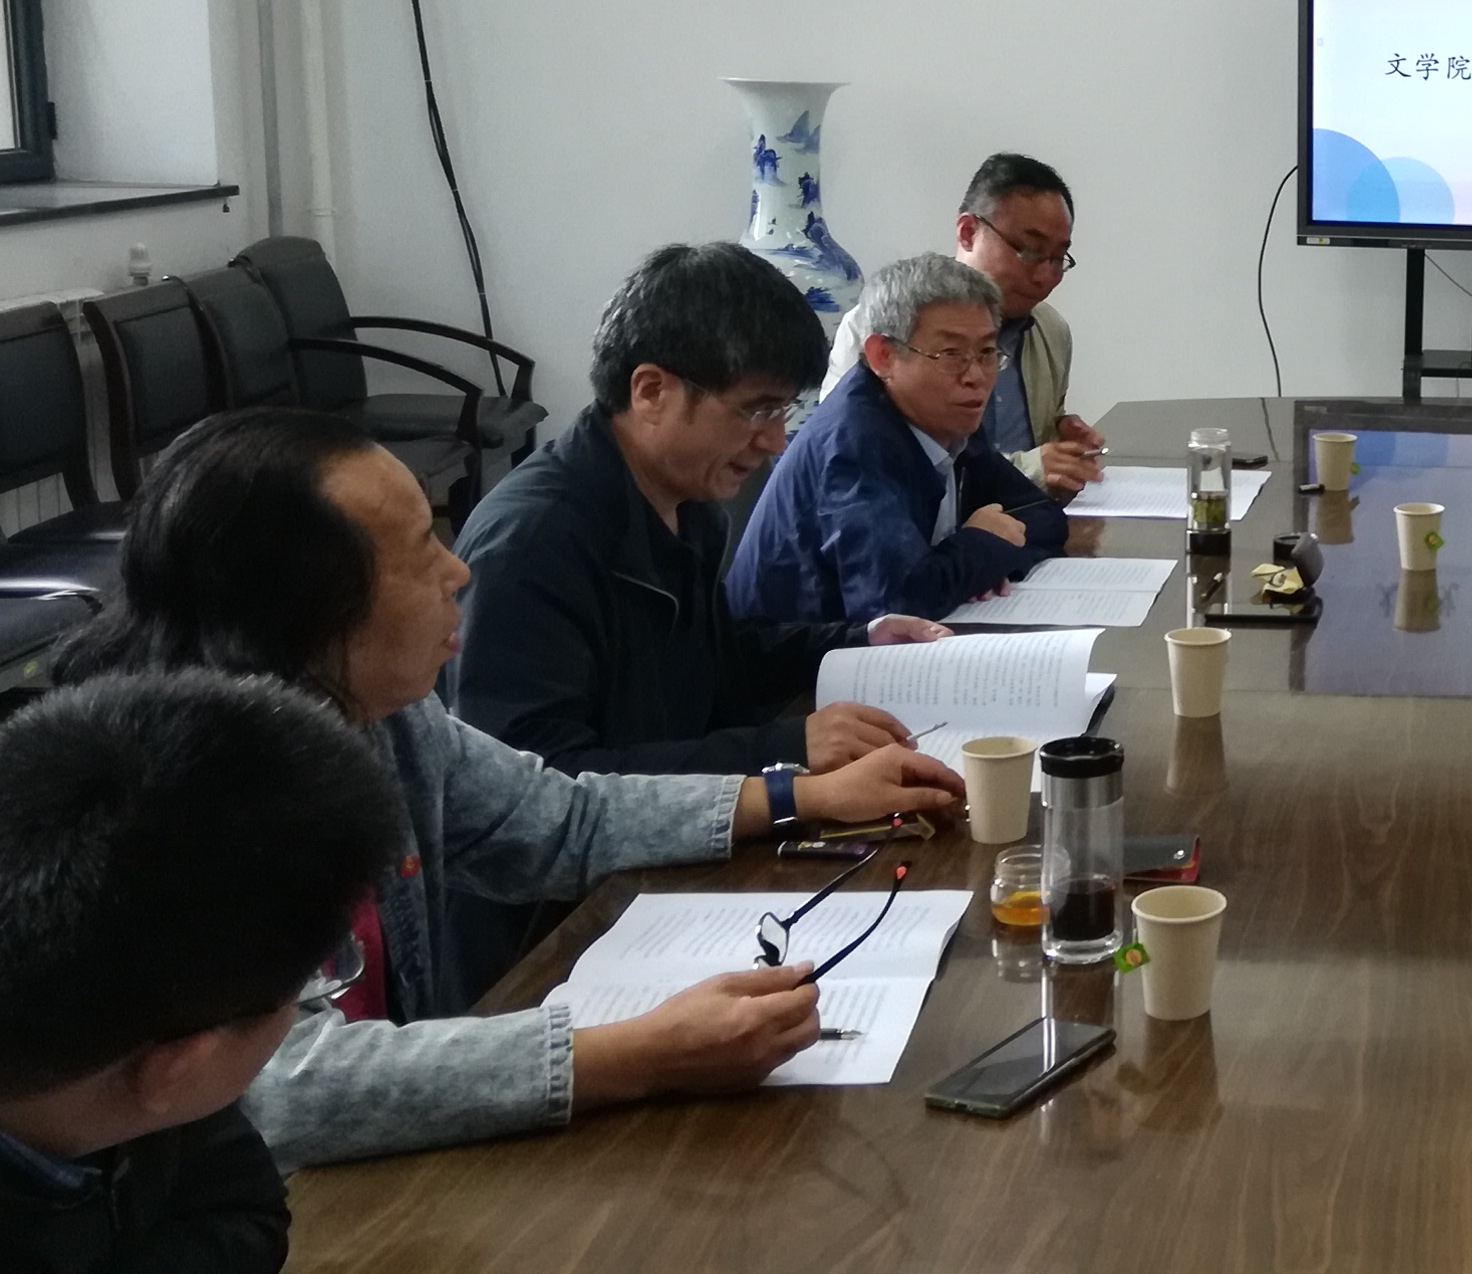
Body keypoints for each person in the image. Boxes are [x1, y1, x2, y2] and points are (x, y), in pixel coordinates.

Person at [53, 408, 968, 1168]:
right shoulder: (162, 799)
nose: (458, 571)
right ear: (301, 605)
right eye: (421, 551)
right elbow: (282, 1089)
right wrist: (630, 1056)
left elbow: (556, 821)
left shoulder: (380, 713)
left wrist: (797, 796)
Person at [449, 243, 951, 778]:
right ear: (651, 391)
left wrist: (859, 641)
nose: (776, 441)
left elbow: (711, 663)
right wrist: (784, 749)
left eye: (782, 411)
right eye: (757, 410)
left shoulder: (687, 501)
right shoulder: (530, 545)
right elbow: (535, 785)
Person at [0, 670, 402, 1271]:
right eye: (309, 983)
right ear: (175, 1070)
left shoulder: (124, 1042)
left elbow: (249, 1211)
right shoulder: (145, 1027)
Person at [731, 253, 1069, 625]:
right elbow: (895, 605)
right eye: (951, 354)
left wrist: (983, 564)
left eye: (987, 352)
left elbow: (1044, 518)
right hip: (797, 658)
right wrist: (981, 550)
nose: (976, 376)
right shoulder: (855, 445)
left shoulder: (948, 417)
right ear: (883, 356)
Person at [824, 153, 1102, 498]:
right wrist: (1028, 470)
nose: (1045, 277)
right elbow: (854, 465)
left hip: (1028, 517)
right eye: (1030, 251)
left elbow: (1038, 433)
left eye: (1058, 258)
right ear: (968, 232)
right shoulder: (879, 328)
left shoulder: (1051, 330)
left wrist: (1061, 431)